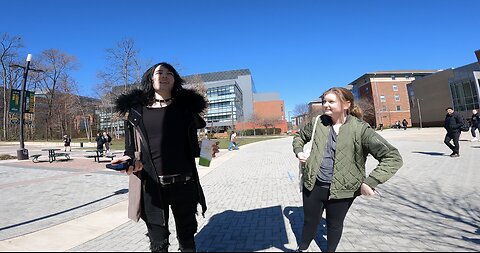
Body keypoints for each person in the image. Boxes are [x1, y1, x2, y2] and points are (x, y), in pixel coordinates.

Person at [111, 62, 219, 252]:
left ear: (175, 79)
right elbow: (131, 149)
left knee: (187, 239)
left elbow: (193, 149)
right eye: (159, 72)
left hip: (184, 184)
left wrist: (207, 150)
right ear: (150, 78)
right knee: (158, 242)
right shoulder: (135, 112)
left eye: (170, 73)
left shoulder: (186, 110)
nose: (164, 76)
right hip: (151, 186)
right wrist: (129, 162)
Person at [292, 87, 403, 252]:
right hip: (313, 184)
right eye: (324, 101)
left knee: (334, 224)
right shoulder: (318, 122)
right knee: (309, 221)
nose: (325, 105)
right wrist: (299, 151)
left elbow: (393, 157)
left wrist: (370, 182)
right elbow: (299, 137)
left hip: (344, 190)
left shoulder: (360, 129)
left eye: (331, 101)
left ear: (346, 104)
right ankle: (302, 248)